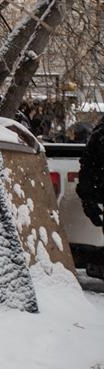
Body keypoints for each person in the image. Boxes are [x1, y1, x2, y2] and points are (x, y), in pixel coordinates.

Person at [77, 115, 104, 278]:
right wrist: (88, 201)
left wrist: (88, 201)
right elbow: (88, 170)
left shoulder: (99, 135)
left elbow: (87, 170)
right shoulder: (99, 136)